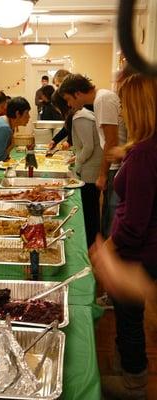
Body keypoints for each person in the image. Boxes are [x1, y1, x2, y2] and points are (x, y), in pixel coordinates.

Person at [94, 73, 157, 399]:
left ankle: (133, 385)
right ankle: (123, 365)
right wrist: (124, 154)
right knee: (124, 316)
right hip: (141, 249)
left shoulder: (146, 153)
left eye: (124, 105)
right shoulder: (144, 148)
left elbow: (134, 223)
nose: (121, 113)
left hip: (139, 252)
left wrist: (107, 249)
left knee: (130, 319)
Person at [59, 74, 127, 239]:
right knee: (107, 213)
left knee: (112, 213)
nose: (69, 104)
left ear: (77, 93)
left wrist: (102, 174)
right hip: (115, 164)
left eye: (68, 99)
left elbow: (111, 141)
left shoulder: (102, 100)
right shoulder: (101, 99)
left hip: (116, 166)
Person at [71, 107, 102, 247]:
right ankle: (92, 242)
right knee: (92, 210)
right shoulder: (85, 115)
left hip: (89, 172)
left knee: (89, 212)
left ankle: (90, 245)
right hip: (93, 170)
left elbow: (88, 147)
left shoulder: (80, 117)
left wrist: (78, 161)